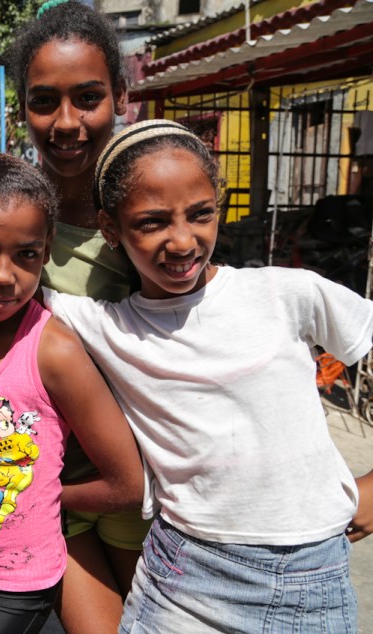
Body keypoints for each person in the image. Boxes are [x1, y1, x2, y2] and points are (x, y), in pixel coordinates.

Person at [42, 119, 373, 633]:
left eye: (200, 214)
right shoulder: (107, 325)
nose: (182, 242)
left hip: (313, 580)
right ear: (110, 230)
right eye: (152, 222)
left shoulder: (288, 293)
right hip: (183, 580)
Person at [0, 151, 144, 634]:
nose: (3, 275)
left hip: (17, 581)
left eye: (25, 254)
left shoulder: (54, 350)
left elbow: (128, 484)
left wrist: (42, 497)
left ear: (45, 253)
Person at [6, 3, 150, 631]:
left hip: (150, 491)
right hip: (53, 496)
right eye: (44, 101)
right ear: (22, 108)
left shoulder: (152, 217)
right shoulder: (6, 221)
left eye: (88, 97)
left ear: (122, 95)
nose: (66, 123)